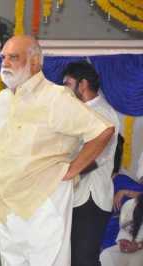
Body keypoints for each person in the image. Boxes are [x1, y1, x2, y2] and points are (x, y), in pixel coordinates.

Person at [0, 35, 115, 266]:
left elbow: (103, 130)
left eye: (13, 57)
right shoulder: (5, 97)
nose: (5, 63)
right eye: (3, 57)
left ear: (35, 62)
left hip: (43, 200)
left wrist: (71, 170)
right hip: (6, 202)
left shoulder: (55, 97)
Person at [61, 60, 120, 266]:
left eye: (68, 85)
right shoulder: (83, 111)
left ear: (82, 84)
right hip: (78, 195)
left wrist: (63, 173)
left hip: (90, 197)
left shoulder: (100, 112)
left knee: (83, 259)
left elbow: (95, 158)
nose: (65, 91)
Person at [102, 134, 143, 249]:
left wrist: (125, 192)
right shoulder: (87, 180)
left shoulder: (120, 180)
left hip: (115, 238)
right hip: (92, 234)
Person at [100, 193, 143, 265]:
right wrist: (124, 240)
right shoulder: (140, 200)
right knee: (107, 254)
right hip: (134, 242)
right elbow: (128, 224)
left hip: (139, 246)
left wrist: (139, 245)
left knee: (135, 259)